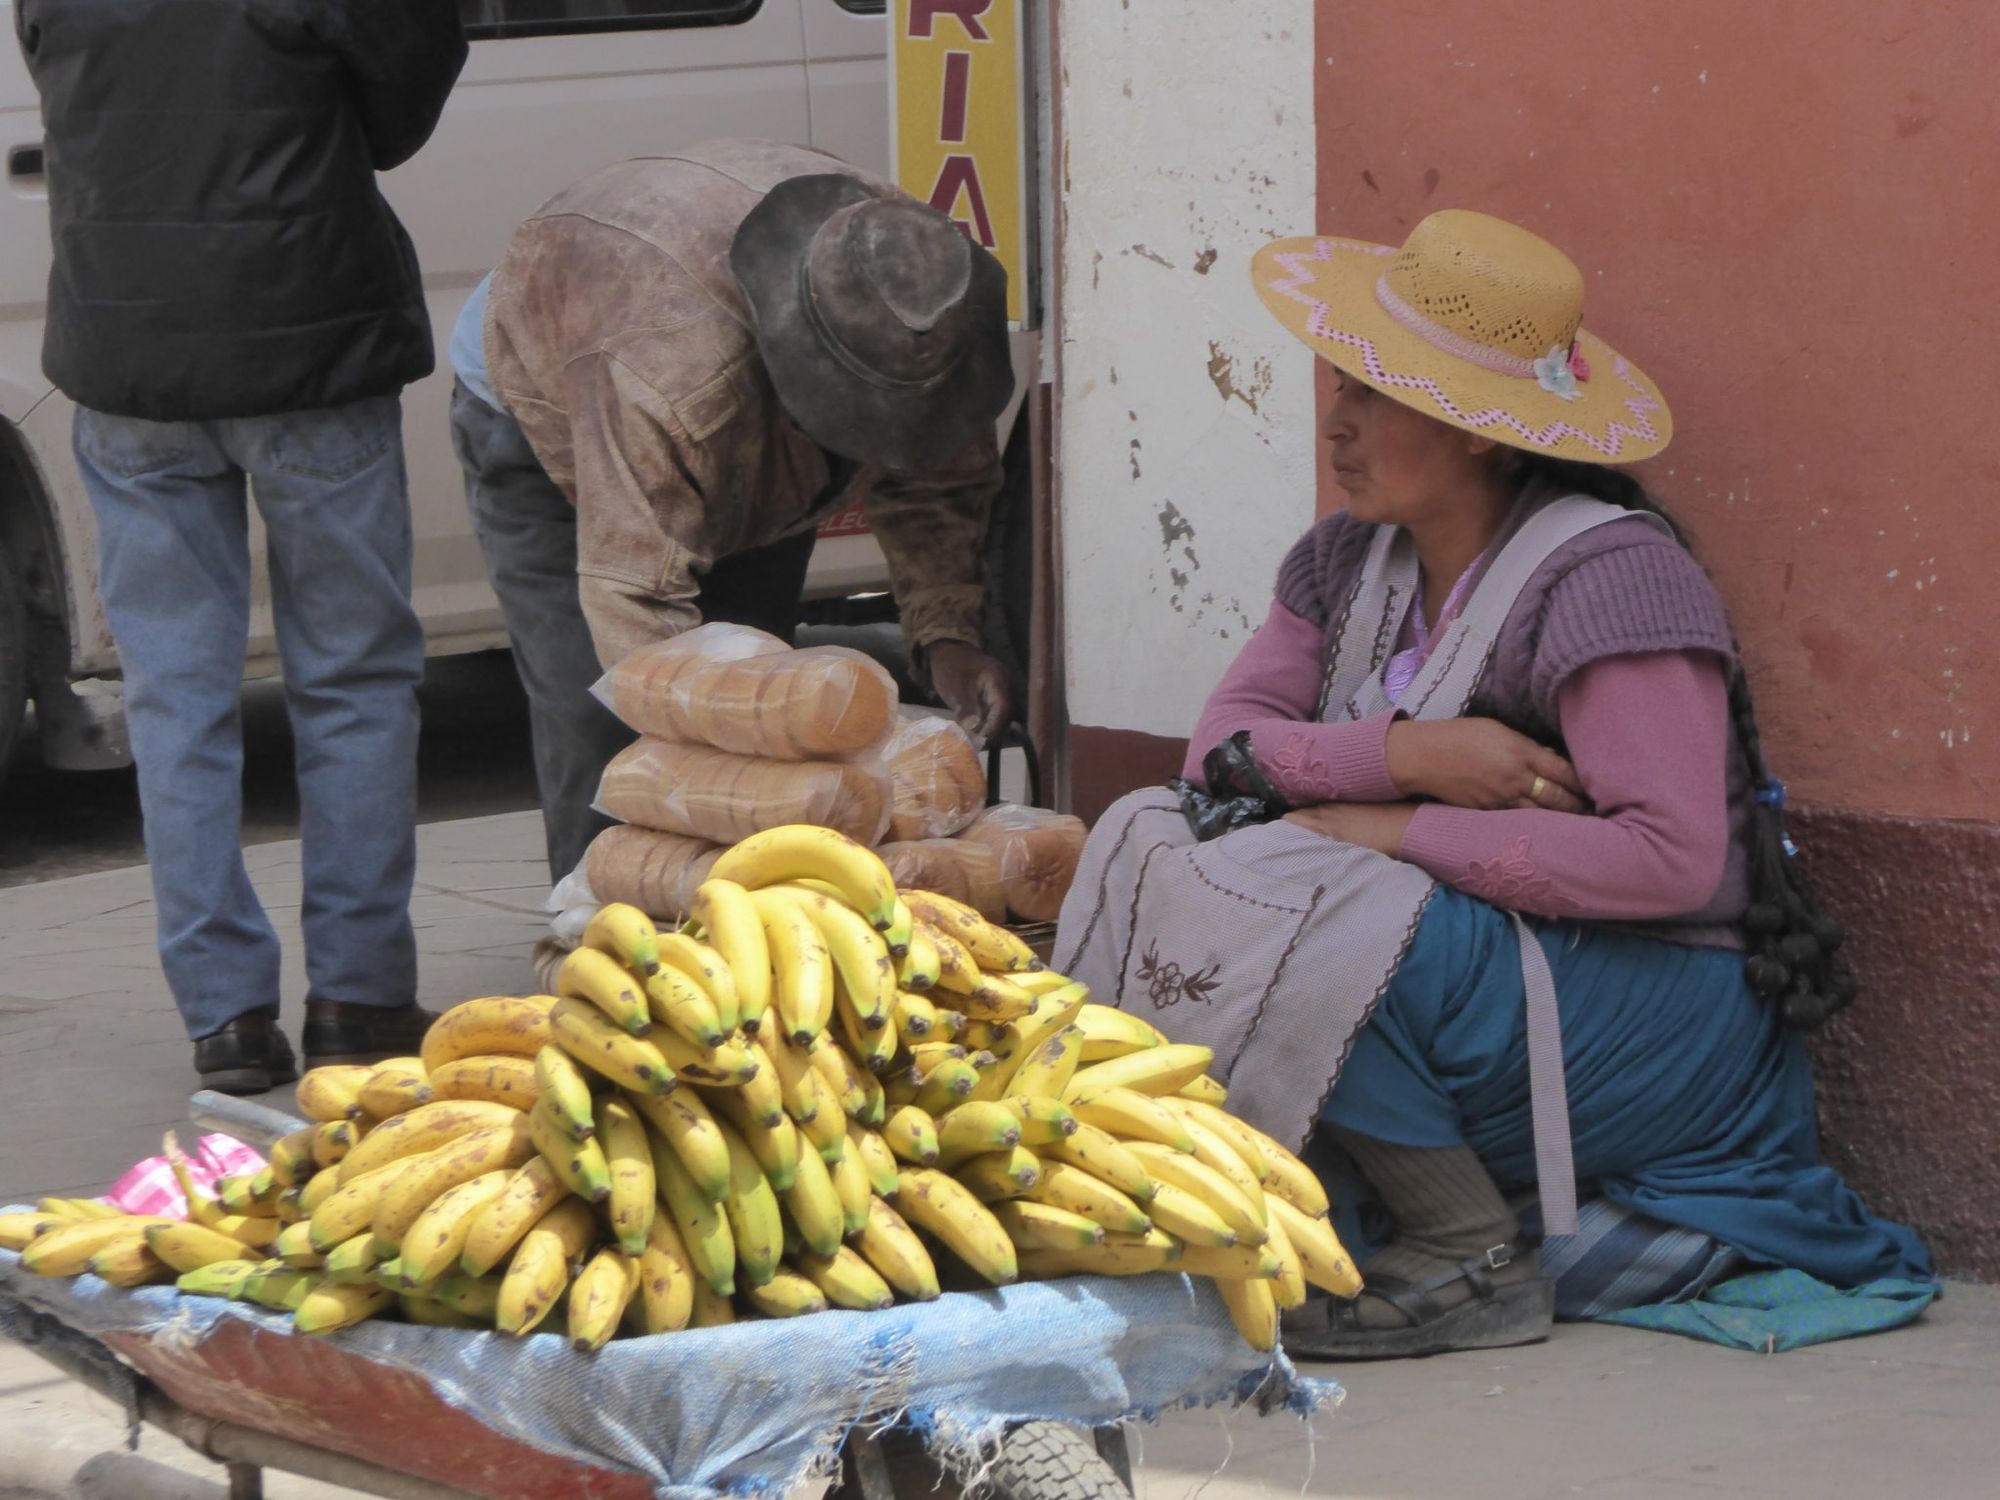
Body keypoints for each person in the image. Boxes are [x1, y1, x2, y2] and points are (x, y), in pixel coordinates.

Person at [1055, 210, 1932, 1359]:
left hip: (1649, 1011)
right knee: (1148, 832)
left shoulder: (1611, 579)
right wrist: (1411, 756)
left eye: (1379, 396)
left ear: (1478, 430)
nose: (1339, 423)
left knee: (1284, 883)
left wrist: (1387, 829)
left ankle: (1461, 1247)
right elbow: (1218, 753)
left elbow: (1669, 860)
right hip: (1477, 977)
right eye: (1342, 385)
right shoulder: (1340, 562)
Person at [16, 0, 468, 1094]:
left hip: (127, 358)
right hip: (314, 348)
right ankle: (358, 999)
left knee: (175, 698)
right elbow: (402, 105)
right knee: (352, 680)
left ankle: (225, 1021)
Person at [450, 140, 1018, 887]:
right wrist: (706, 762)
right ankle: (606, 940)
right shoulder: (670, 378)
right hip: (552, 401)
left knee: (769, 708)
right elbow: (637, 605)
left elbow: (936, 480)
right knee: (611, 724)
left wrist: (946, 632)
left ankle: (759, 917)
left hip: (730, 421)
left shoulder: (924, 302)